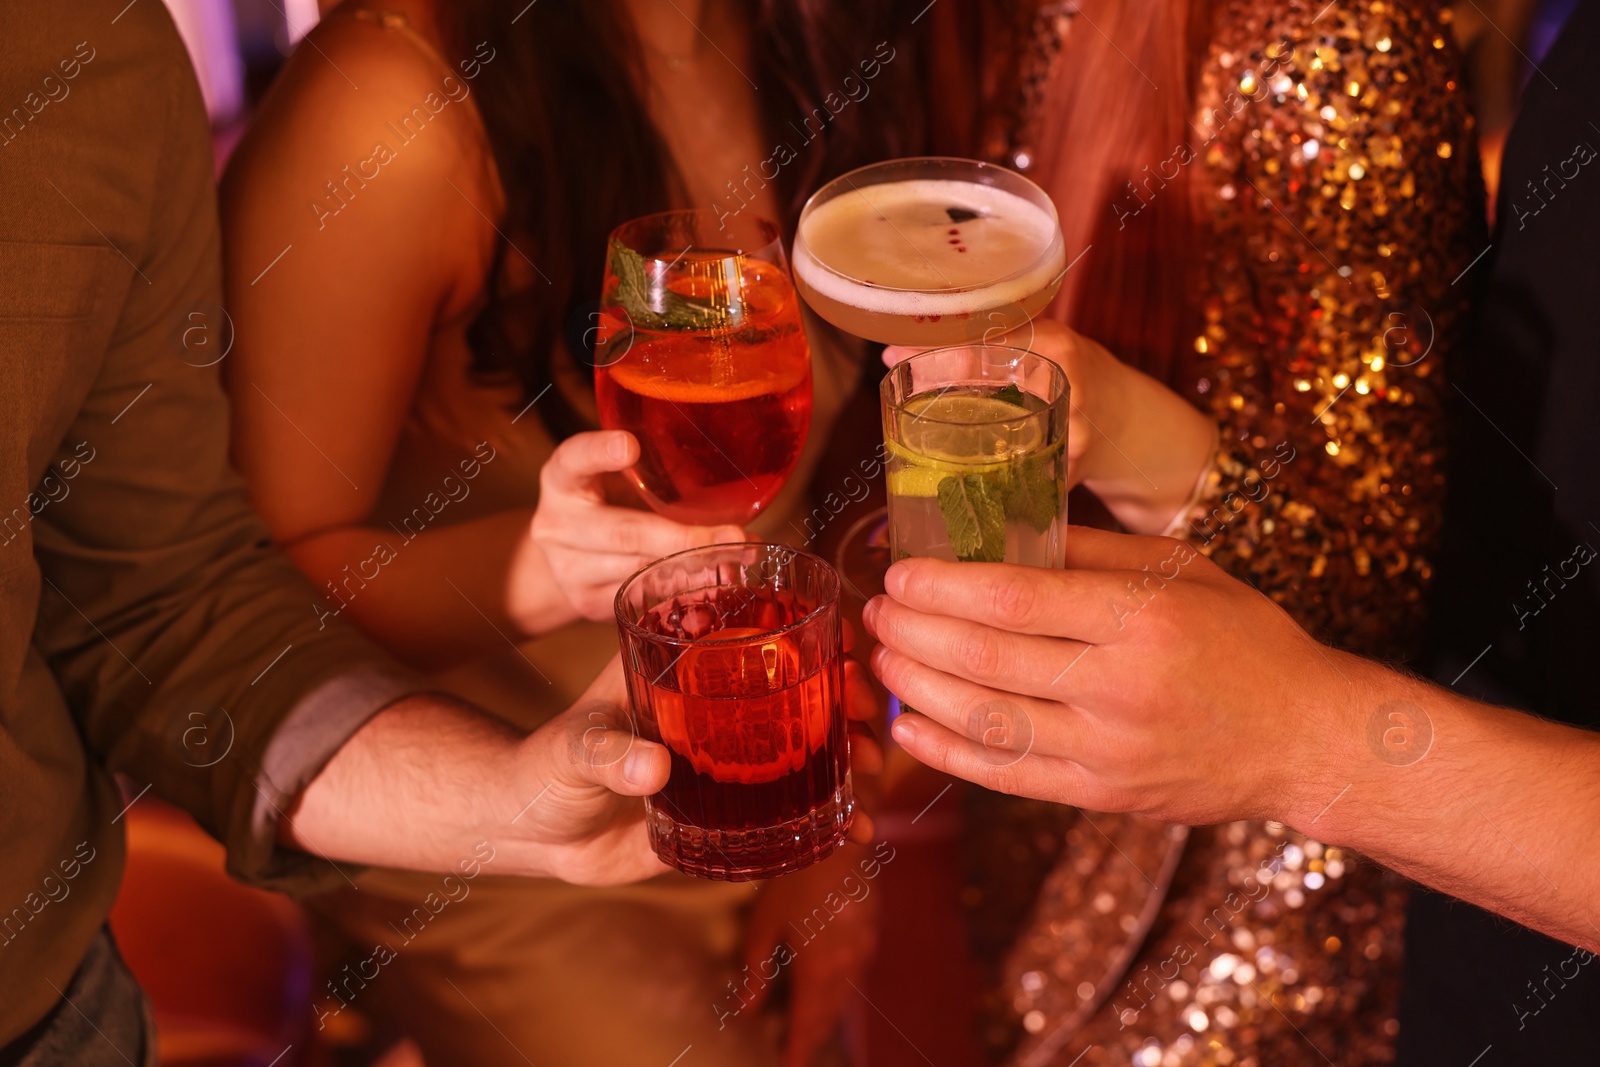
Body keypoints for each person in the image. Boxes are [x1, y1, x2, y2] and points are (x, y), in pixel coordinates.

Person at [871, 2, 1600, 1062]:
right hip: (1161, 841)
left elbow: (1382, 586)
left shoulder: (1336, 45)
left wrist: (1305, 738)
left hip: (1294, 899)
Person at [219, 1, 917, 1063]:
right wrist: (539, 574)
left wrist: (826, 822)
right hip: (484, 840)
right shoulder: (387, 105)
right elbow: (238, 611)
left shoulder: (792, 39)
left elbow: (801, 519)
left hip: (746, 796)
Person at [0, 2, 695, 1063]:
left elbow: (168, 602)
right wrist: (537, 571)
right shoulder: (388, 102)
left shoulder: (88, 53)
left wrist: (510, 801)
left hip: (46, 1010)